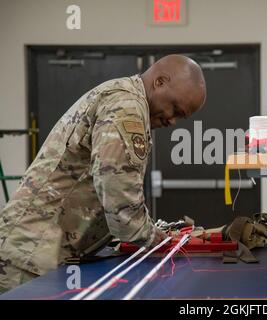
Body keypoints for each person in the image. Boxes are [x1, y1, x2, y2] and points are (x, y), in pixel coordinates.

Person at [0, 54, 206, 293]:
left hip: (39, 250)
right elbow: (118, 189)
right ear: (159, 82)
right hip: (30, 256)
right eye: (175, 109)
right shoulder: (126, 106)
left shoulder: (126, 98)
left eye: (181, 117)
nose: (172, 120)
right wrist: (155, 238)